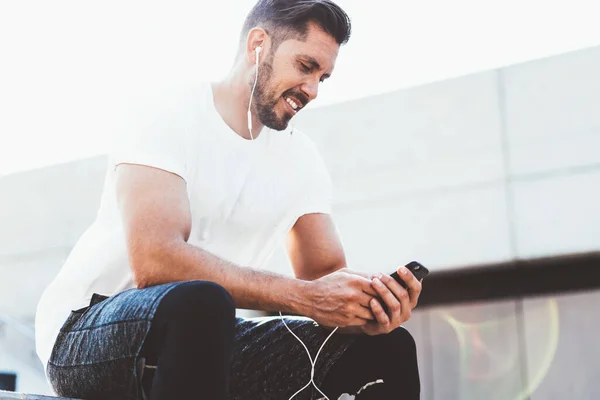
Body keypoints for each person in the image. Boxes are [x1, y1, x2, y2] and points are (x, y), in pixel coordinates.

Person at [35, 1, 423, 399]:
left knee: (386, 347)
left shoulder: (301, 160)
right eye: (306, 67)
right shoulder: (168, 111)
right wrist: (304, 297)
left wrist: (365, 310)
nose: (313, 90)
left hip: (208, 337)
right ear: (258, 44)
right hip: (85, 331)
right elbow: (155, 261)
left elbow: (324, 276)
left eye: (323, 77)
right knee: (202, 301)